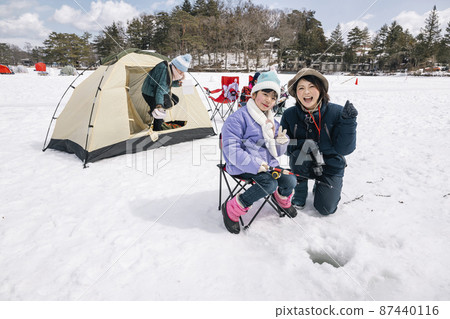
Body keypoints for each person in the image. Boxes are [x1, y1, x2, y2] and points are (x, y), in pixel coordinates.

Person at [221, 71, 298, 234]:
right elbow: (231, 150)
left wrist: (281, 142)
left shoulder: (272, 121)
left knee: (290, 180)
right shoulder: (237, 118)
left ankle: (281, 199)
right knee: (270, 183)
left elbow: (276, 152)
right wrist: (256, 165)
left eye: (273, 97)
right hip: (242, 166)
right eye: (265, 94)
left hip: (269, 165)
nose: (268, 100)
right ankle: (232, 208)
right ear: (254, 93)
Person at [280, 68, 358, 215]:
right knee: (298, 155)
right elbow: (286, 148)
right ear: (295, 93)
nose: (306, 92)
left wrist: (349, 123)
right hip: (303, 162)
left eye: (311, 87)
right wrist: (286, 142)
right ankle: (300, 193)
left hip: (331, 165)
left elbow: (344, 149)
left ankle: (321, 185)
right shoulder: (289, 114)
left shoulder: (337, 112)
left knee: (326, 209)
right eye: (301, 88)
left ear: (321, 90)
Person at [141, 54, 192, 131]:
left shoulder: (169, 70)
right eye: (181, 71)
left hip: (157, 91)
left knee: (175, 99)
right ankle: (157, 131)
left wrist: (178, 83)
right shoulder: (164, 70)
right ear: (176, 67)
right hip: (150, 93)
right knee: (160, 113)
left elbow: (167, 83)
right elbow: (160, 89)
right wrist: (159, 105)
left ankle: (153, 111)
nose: (181, 74)